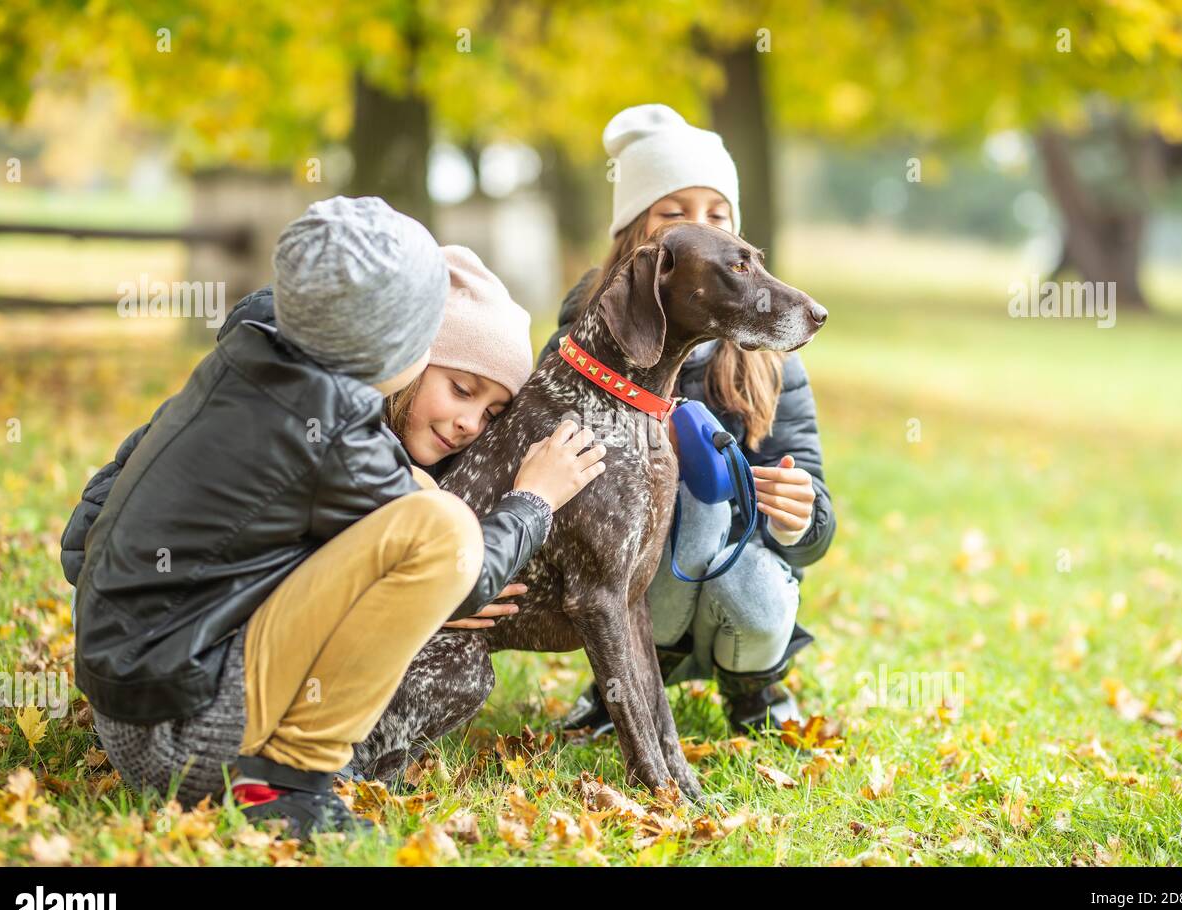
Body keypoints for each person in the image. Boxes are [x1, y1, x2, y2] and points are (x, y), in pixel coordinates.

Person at [60, 197, 606, 836]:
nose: (468, 422)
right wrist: (533, 499)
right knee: (444, 525)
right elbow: (469, 569)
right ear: (407, 343)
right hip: (184, 734)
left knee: (425, 509)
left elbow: (84, 536)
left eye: (489, 413)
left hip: (134, 703)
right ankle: (289, 780)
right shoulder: (335, 429)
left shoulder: (245, 363)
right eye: (459, 387)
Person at [542, 104, 837, 735]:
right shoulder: (579, 346)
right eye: (674, 213)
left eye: (718, 214)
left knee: (746, 575)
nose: (701, 228)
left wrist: (802, 515)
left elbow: (815, 525)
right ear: (640, 241)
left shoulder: (768, 363)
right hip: (640, 584)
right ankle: (618, 686)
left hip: (743, 580)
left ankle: (755, 688)